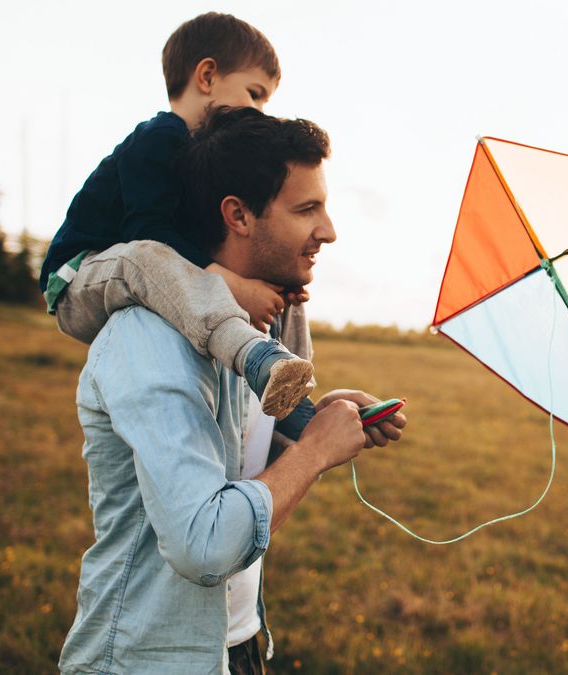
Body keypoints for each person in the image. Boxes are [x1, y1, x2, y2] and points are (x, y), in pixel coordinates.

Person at [58, 107, 407, 674]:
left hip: (237, 644)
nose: (329, 230)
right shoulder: (150, 336)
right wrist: (315, 451)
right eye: (306, 209)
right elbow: (206, 544)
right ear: (238, 215)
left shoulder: (259, 333)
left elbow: (249, 462)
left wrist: (326, 412)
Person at [39, 12, 314, 422]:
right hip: (82, 277)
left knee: (276, 267)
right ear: (206, 76)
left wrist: (264, 283)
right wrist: (232, 283)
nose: (260, 112)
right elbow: (148, 231)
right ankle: (254, 357)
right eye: (255, 93)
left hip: (144, 269)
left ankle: (295, 393)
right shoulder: (158, 137)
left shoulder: (199, 159)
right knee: (144, 255)